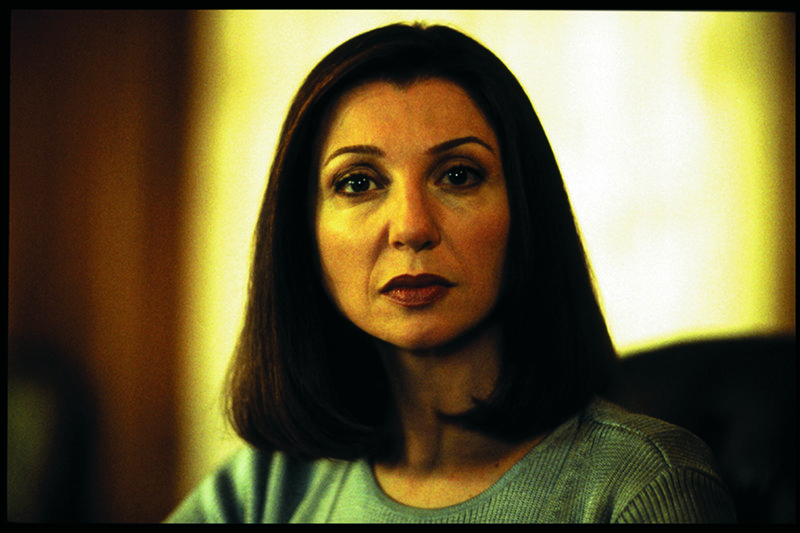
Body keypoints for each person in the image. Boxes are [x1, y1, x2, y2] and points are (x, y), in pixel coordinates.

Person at [167, 22, 737, 523]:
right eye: (358, 182)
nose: (412, 226)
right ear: (302, 236)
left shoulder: (643, 485)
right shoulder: (263, 489)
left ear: (525, 211)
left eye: (458, 175)